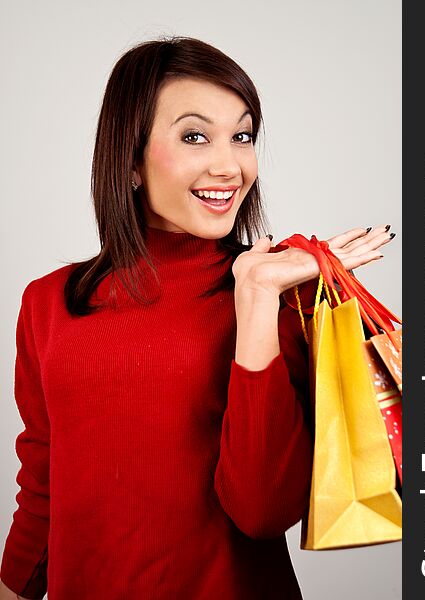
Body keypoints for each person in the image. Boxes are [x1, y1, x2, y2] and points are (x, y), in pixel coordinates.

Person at [0, 36, 395, 600]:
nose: (229, 165)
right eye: (194, 136)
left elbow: (262, 511)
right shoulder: (48, 303)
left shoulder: (280, 296)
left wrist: (256, 299)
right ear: (130, 159)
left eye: (242, 135)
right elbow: (43, 483)